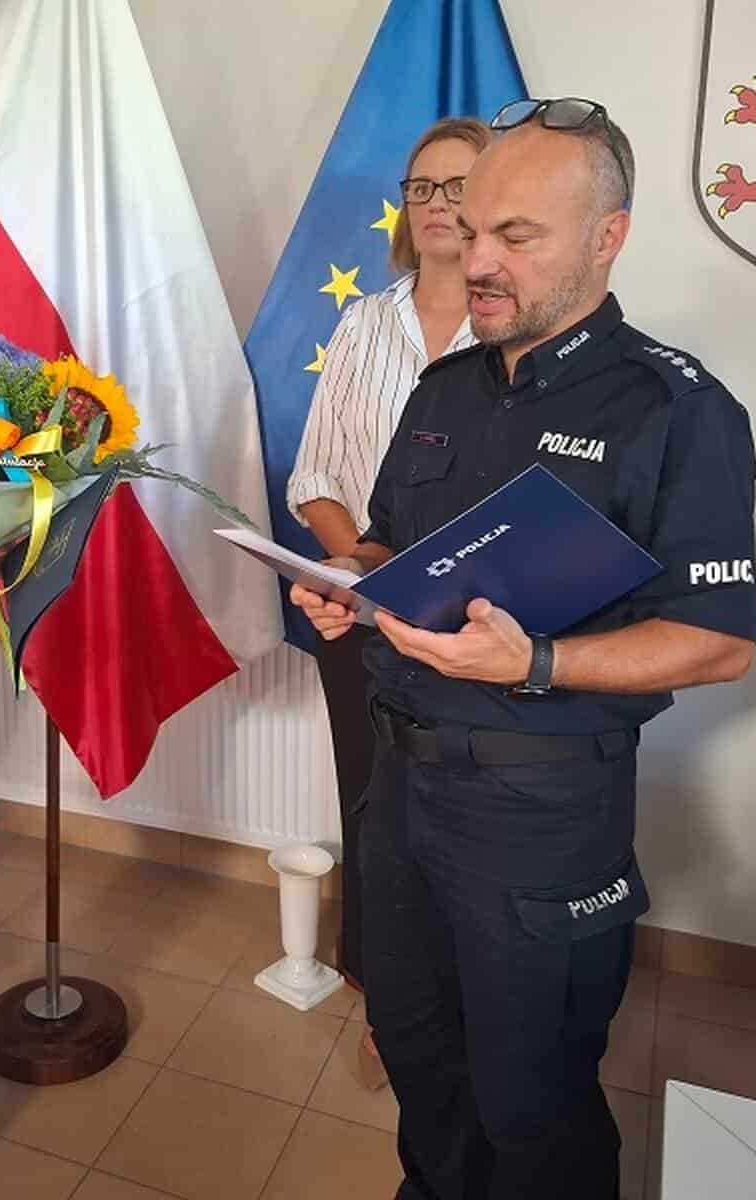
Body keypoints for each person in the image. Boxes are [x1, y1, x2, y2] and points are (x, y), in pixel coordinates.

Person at [290, 98, 756, 1199]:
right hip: (399, 787)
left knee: (531, 1100)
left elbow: (717, 644)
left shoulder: (674, 409)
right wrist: (351, 583)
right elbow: (391, 545)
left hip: (537, 808)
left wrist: (538, 664)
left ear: (607, 237)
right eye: (470, 229)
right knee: (419, 1055)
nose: (478, 260)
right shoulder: (446, 387)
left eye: (517, 235)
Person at [286, 116, 489, 1089]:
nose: (438, 204)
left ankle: (467, 1004)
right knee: (372, 809)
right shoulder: (365, 322)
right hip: (360, 612)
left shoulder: (521, 323)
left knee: (464, 818)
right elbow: (316, 471)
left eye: (459, 186)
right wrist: (363, 570)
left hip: (481, 626)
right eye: (422, 188)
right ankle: (381, 1001)